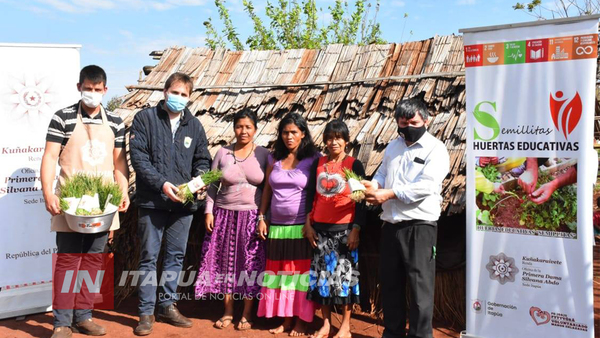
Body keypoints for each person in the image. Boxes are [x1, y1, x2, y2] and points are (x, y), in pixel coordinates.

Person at [41, 65, 130, 338]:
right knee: (68, 261)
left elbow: (119, 164)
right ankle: (62, 322)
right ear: (79, 87)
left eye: (97, 89)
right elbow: (50, 157)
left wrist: (123, 191)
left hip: (103, 205)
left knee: (94, 261)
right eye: (87, 89)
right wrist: (48, 192)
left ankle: (84, 316)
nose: (92, 94)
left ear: (105, 90)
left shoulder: (116, 122)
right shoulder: (63, 118)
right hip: (70, 204)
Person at [129, 72, 211, 336]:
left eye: (184, 94)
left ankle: (167, 305)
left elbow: (202, 159)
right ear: (165, 92)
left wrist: (198, 181)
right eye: (174, 92)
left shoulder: (194, 126)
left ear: (190, 98)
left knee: (175, 256)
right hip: (153, 202)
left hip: (183, 207)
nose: (179, 98)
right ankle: (145, 312)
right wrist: (163, 183)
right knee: (149, 257)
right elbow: (139, 159)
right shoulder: (145, 119)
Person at [362, 98, 449, 338]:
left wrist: (388, 193)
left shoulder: (436, 149)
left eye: (414, 122)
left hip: (420, 226)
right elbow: (382, 172)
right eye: (403, 122)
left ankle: (421, 336)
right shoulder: (393, 146)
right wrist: (374, 184)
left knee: (420, 288)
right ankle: (392, 333)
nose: (408, 126)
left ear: (426, 121)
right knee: (390, 285)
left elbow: (426, 186)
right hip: (391, 225)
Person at [194, 109, 269, 331]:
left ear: (255, 129)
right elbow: (212, 184)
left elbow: (268, 189)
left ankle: (246, 313)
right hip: (224, 213)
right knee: (224, 262)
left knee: (250, 263)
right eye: (239, 126)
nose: (243, 131)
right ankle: (227, 311)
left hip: (252, 215)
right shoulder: (222, 153)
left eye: (248, 127)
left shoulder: (264, 154)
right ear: (233, 128)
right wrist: (209, 211)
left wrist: (264, 217)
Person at [256, 112, 320, 336]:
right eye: (285, 132)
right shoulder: (274, 158)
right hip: (277, 227)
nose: (289, 136)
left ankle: (302, 321)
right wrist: (262, 217)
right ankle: (286, 319)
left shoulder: (314, 159)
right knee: (282, 275)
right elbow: (267, 190)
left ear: (303, 133)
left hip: (301, 228)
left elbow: (318, 193)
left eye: (294, 132)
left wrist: (310, 221)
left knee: (300, 278)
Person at [303, 120, 366, 338]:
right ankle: (326, 324)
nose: (333, 142)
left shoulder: (353, 164)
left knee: (344, 279)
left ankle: (346, 326)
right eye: (329, 138)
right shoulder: (318, 164)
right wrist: (308, 224)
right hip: (319, 230)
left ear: (346, 141)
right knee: (323, 278)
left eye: (338, 137)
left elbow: (361, 201)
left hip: (344, 230)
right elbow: (311, 195)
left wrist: (356, 229)